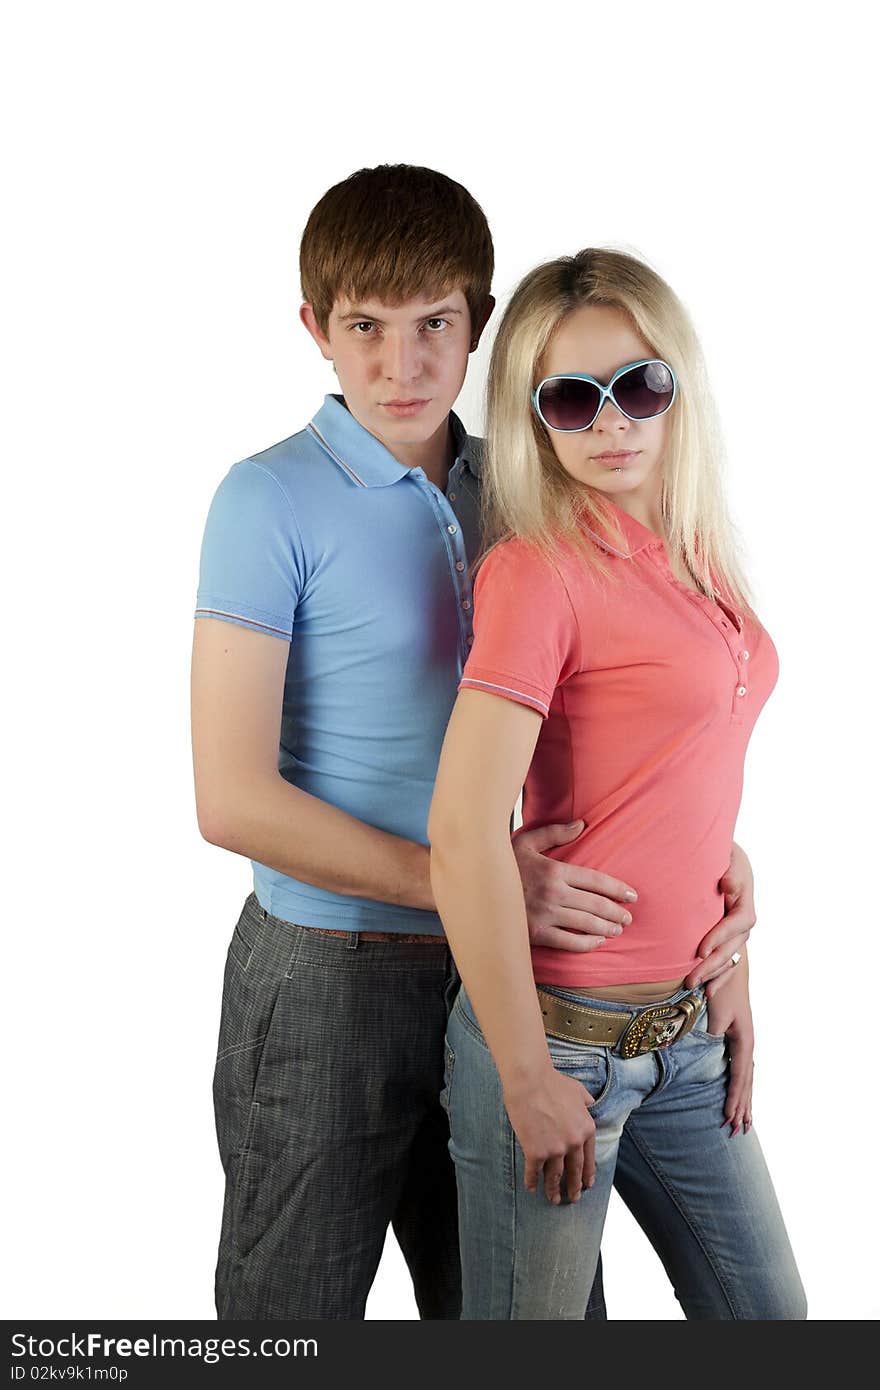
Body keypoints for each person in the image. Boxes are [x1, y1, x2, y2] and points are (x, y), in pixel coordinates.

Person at [191, 168, 758, 1321]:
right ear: (315, 330)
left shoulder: (524, 477)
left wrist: (710, 864)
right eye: (365, 328)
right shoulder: (266, 499)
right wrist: (472, 875)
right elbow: (230, 799)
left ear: (479, 324)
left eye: (434, 326)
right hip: (327, 976)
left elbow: (630, 703)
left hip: (513, 969)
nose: (401, 366)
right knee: (285, 1323)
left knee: (522, 1313)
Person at [428, 247, 807, 1319]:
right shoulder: (538, 572)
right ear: (533, 417)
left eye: (639, 385)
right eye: (570, 399)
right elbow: (462, 828)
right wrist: (520, 1075)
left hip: (686, 1034)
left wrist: (726, 897)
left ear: (677, 384)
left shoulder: (693, 549)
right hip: (558, 1038)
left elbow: (679, 764)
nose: (613, 422)